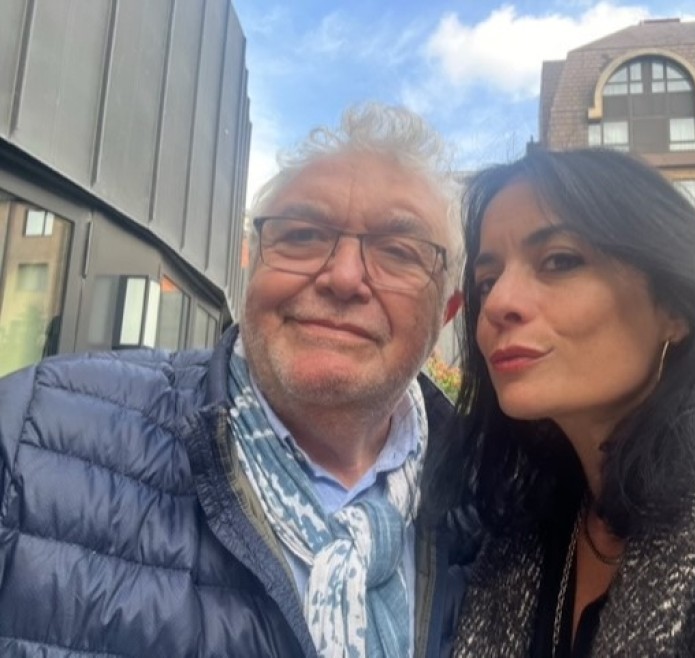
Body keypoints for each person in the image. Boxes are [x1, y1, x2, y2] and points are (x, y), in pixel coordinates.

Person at [0, 103, 466, 657]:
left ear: (447, 311)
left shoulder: (497, 504)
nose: (343, 277)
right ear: (253, 264)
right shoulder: (27, 430)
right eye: (303, 235)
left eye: (398, 252)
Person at [423, 148, 695, 656]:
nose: (498, 304)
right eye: (487, 282)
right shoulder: (512, 537)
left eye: (560, 261)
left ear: (675, 306)